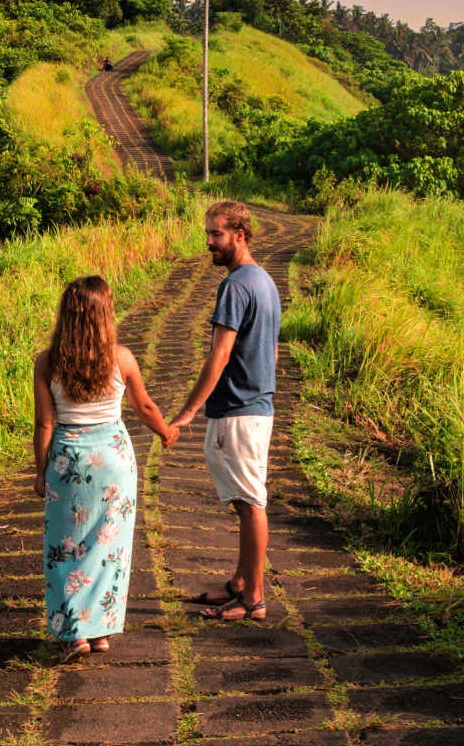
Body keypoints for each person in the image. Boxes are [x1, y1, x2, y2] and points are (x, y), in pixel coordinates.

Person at [33, 276, 178, 663]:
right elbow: (144, 406)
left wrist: (40, 470)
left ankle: (75, 634)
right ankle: (99, 630)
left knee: (66, 546)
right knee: (108, 545)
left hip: (69, 459)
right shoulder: (121, 358)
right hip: (113, 458)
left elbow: (45, 424)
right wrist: (166, 431)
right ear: (105, 315)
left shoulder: (48, 361)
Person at [170, 200, 280, 622]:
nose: (209, 242)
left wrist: (186, 412)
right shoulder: (264, 281)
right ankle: (239, 582)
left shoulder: (236, 286)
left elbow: (219, 356)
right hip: (255, 406)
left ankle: (254, 597)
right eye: (208, 234)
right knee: (244, 500)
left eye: (216, 234)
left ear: (240, 234)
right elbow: (267, 350)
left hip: (239, 410)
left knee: (250, 502)